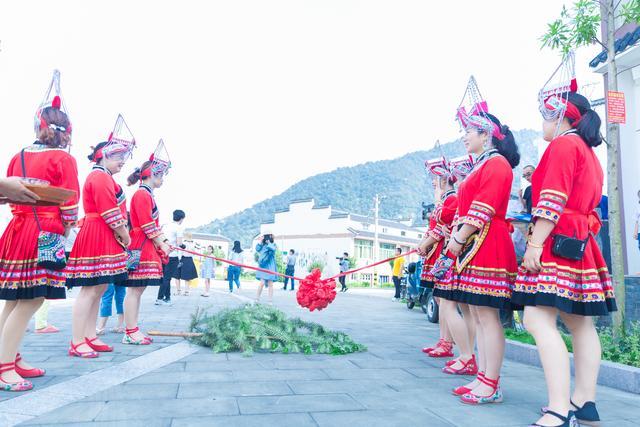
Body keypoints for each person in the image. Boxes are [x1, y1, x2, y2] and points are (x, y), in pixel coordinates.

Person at [513, 84, 616, 427]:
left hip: (557, 238)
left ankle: (559, 409)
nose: (542, 123)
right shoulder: (587, 150)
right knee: (580, 322)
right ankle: (585, 400)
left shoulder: (562, 145)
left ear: (559, 116)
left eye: (545, 116)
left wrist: (535, 244)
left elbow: (552, 199)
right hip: (581, 239)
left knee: (536, 318)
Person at [439, 88, 520, 405]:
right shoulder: (483, 164)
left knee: (487, 317)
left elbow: (482, 209)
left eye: (468, 131)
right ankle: (483, 378)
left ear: (486, 134)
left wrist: (457, 240)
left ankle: (491, 382)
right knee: (477, 312)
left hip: (486, 242)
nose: (464, 137)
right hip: (476, 243)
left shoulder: (497, 164)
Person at [0, 82, 80, 391]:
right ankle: (5, 367)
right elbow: (71, 204)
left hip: (17, 230)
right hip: (45, 231)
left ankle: (11, 357)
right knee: (32, 300)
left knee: (13, 299)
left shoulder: (17, 156)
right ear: (65, 131)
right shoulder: (64, 159)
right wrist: (68, 228)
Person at [66, 131, 134, 357]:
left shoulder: (103, 176)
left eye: (124, 156)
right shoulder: (100, 177)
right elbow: (109, 211)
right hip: (99, 232)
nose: (122, 161)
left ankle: (89, 335)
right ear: (103, 156)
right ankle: (77, 340)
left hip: (103, 233)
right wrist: (125, 234)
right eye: (117, 156)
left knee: (99, 287)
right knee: (90, 289)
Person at [419, 158, 468, 361]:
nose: (434, 181)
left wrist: (426, 244)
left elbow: (441, 223)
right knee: (440, 299)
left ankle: (454, 346)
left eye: (437, 177)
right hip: (439, 249)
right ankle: (444, 340)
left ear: (446, 178)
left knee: (446, 301)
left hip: (446, 251)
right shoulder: (448, 198)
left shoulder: (452, 199)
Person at [122, 142, 171, 345]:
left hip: (144, 243)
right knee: (135, 289)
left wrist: (162, 242)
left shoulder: (146, 193)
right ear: (153, 175)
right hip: (141, 244)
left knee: (138, 289)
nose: (163, 179)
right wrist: (162, 243)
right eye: (161, 175)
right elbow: (147, 224)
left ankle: (132, 329)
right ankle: (130, 331)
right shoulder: (142, 194)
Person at [156, 209, 185, 304]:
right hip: (172, 255)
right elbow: (179, 243)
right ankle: (159, 298)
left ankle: (167, 298)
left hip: (162, 254)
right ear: (181, 219)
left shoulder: (165, 226)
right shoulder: (178, 227)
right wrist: (183, 246)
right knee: (167, 278)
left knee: (165, 277)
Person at [255, 232, 278, 304]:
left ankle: (270, 301)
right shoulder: (262, 245)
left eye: (268, 236)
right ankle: (257, 299)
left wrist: (269, 243)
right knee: (261, 283)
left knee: (270, 283)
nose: (267, 238)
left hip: (270, 265)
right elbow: (257, 249)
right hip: (263, 265)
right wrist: (260, 241)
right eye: (266, 236)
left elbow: (273, 249)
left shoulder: (273, 244)